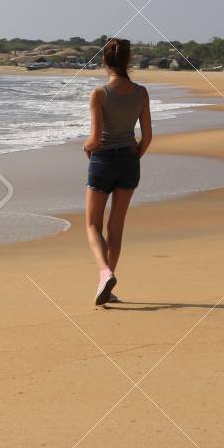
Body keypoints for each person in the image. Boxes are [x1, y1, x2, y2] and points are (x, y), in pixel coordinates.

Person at [82, 39, 151, 306]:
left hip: (102, 162)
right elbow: (147, 138)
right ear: (128, 60)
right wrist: (133, 157)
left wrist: (85, 147)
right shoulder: (141, 93)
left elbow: (95, 138)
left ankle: (105, 272)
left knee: (92, 225)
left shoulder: (99, 94)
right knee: (116, 227)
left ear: (105, 61)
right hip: (130, 161)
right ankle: (107, 287)